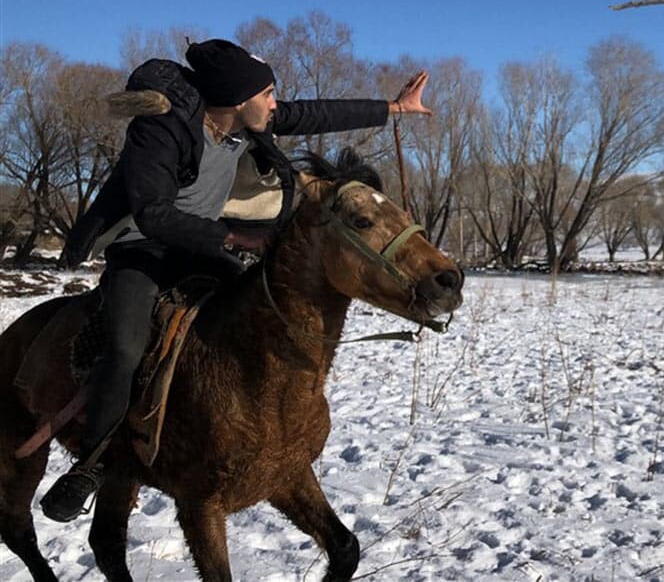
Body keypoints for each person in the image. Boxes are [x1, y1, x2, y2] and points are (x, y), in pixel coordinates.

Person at [41, 39, 432, 522]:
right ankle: (94, 462)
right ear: (236, 99)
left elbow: (311, 114)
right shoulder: (160, 129)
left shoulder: (247, 122)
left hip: (201, 250)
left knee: (258, 313)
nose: (274, 104)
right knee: (124, 346)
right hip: (143, 249)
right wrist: (234, 236)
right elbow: (152, 211)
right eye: (268, 94)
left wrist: (394, 107)